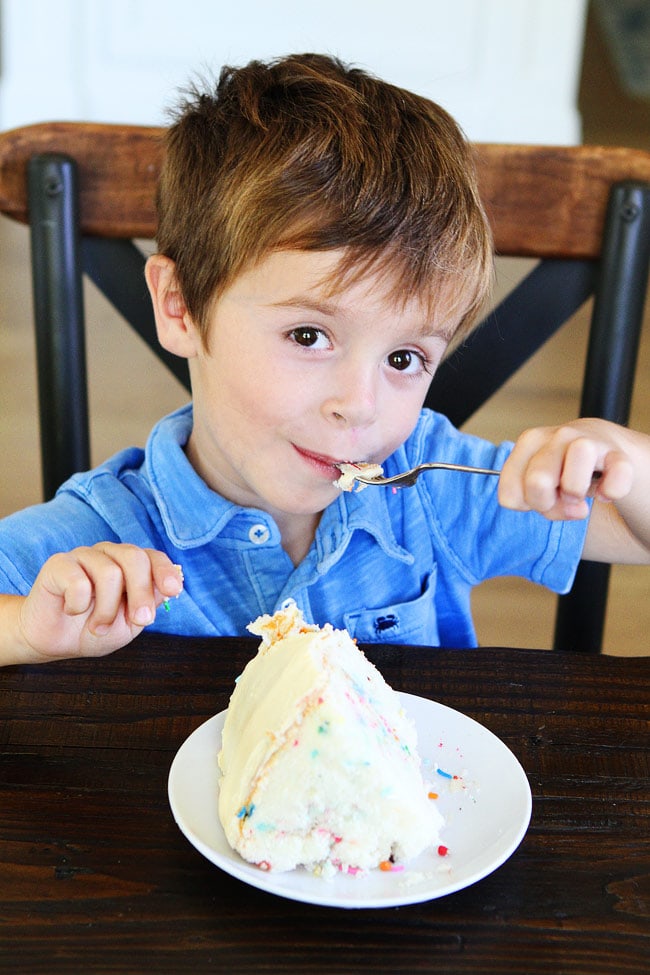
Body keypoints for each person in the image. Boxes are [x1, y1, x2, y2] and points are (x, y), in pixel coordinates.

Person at [1, 53, 649, 666]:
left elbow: (632, 524)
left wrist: (619, 458)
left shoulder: (432, 490)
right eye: (309, 336)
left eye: (403, 356)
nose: (358, 404)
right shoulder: (107, 530)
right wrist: (28, 630)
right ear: (180, 306)